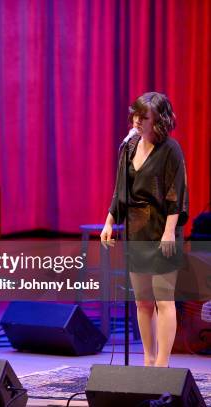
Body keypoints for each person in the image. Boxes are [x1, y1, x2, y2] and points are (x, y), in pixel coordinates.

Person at [100, 92, 189, 367]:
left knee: (163, 301)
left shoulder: (170, 149)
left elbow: (177, 194)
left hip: (161, 229)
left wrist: (168, 233)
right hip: (135, 232)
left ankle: (162, 365)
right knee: (143, 303)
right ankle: (148, 362)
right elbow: (120, 189)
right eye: (135, 115)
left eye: (144, 117)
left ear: (159, 121)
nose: (137, 121)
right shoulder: (129, 146)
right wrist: (109, 220)